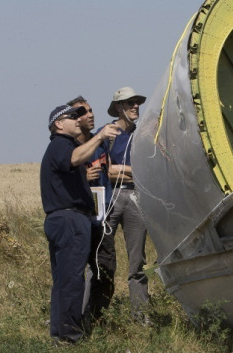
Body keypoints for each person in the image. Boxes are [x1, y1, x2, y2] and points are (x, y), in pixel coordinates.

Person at [40, 104, 120, 344]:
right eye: (71, 117)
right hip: (69, 219)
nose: (78, 120)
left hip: (65, 219)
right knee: (73, 279)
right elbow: (74, 158)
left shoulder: (64, 146)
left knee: (65, 280)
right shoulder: (61, 144)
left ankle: (61, 334)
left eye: (79, 116)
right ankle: (69, 336)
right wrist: (100, 137)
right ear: (58, 124)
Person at [99, 86, 150, 322]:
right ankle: (96, 313)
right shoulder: (107, 134)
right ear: (118, 107)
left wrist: (124, 170)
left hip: (136, 197)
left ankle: (140, 317)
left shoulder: (142, 137)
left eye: (137, 102)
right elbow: (106, 172)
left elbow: (148, 173)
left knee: (137, 261)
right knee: (102, 258)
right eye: (130, 103)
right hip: (111, 197)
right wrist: (128, 172)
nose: (135, 106)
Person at [66, 96, 115, 324]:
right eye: (83, 112)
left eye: (91, 110)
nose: (90, 114)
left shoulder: (101, 142)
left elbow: (112, 170)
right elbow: (59, 183)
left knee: (105, 268)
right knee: (76, 273)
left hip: (102, 218)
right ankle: (74, 319)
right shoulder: (68, 148)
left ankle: (97, 317)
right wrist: (83, 178)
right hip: (79, 219)